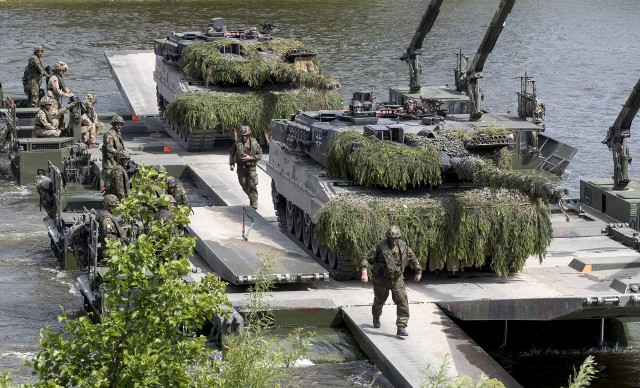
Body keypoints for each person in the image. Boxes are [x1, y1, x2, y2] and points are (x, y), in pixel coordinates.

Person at [360, 225, 422, 337]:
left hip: (397, 279)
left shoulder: (403, 247)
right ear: (388, 237)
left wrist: (418, 271)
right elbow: (366, 258)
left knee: (403, 301)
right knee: (379, 301)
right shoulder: (380, 247)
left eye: (396, 238)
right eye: (392, 238)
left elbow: (413, 258)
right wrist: (364, 272)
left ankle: (401, 326)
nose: (394, 240)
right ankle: (376, 315)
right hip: (381, 280)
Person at [229, 125, 262, 209]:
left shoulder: (254, 143)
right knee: (244, 185)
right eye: (243, 135)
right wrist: (232, 163)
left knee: (252, 186)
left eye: (246, 135)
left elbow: (260, 155)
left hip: (251, 168)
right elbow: (232, 153)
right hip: (241, 168)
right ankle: (252, 198)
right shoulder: (237, 143)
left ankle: (254, 204)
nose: (244, 137)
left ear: (249, 135)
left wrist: (250, 158)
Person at [96, 194, 123, 263]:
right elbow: (109, 237)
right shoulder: (106, 219)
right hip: (110, 252)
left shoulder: (104, 214)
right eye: (114, 207)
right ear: (109, 207)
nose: (116, 209)